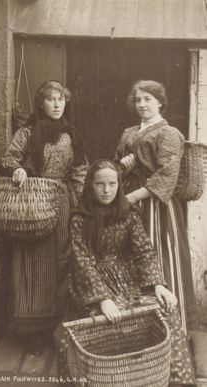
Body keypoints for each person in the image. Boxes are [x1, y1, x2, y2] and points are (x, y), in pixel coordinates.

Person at [58, 160, 196, 385]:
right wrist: (103, 299)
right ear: (90, 185)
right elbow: (83, 261)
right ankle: (121, 377)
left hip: (126, 277)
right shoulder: (80, 218)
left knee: (165, 311)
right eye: (100, 184)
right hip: (91, 281)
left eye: (112, 184)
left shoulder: (128, 213)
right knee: (113, 319)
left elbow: (143, 250)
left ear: (119, 185)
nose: (106, 190)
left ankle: (173, 379)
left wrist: (158, 284)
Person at [0, 80, 88, 354]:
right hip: (31, 204)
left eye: (61, 99)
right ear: (41, 104)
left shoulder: (72, 134)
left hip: (60, 205)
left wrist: (74, 199)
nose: (57, 104)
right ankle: (29, 331)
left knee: (58, 264)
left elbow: (81, 168)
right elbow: (8, 159)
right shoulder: (27, 132)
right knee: (29, 266)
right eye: (51, 99)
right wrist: (19, 170)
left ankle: (53, 327)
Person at [114, 80, 198, 335]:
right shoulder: (129, 132)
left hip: (157, 206)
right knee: (129, 258)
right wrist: (123, 166)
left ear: (160, 102)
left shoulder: (169, 133)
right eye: (138, 100)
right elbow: (113, 168)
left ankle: (172, 331)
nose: (142, 104)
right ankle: (138, 330)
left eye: (148, 99)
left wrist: (131, 198)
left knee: (161, 256)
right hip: (128, 199)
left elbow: (166, 176)